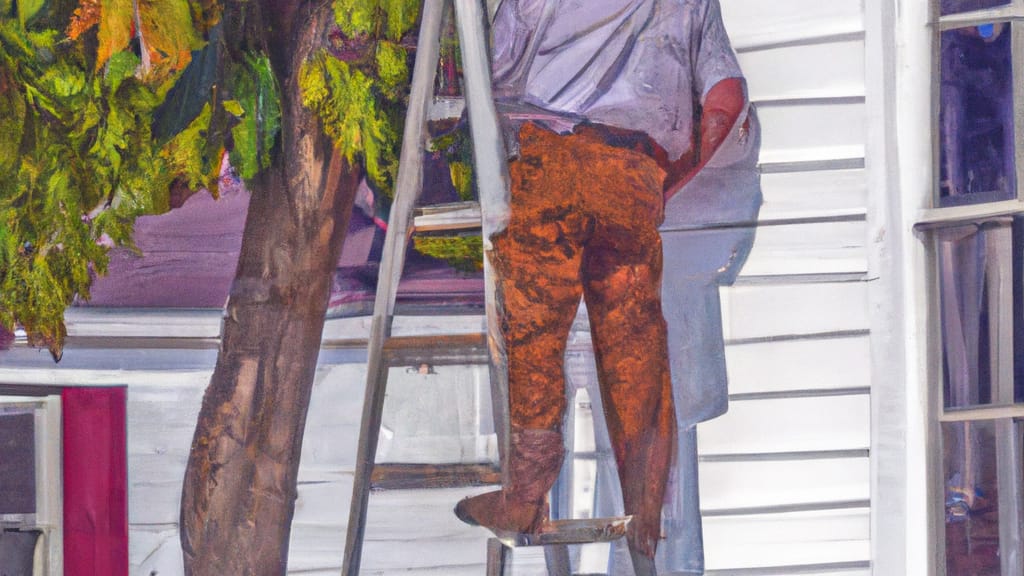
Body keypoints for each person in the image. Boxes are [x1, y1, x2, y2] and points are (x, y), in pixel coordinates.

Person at [454, 0, 757, 571]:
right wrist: (671, 179)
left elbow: (483, 78)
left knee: (536, 327)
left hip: (550, 158)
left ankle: (524, 496)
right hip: (634, 170)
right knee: (635, 342)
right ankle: (646, 513)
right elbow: (725, 99)